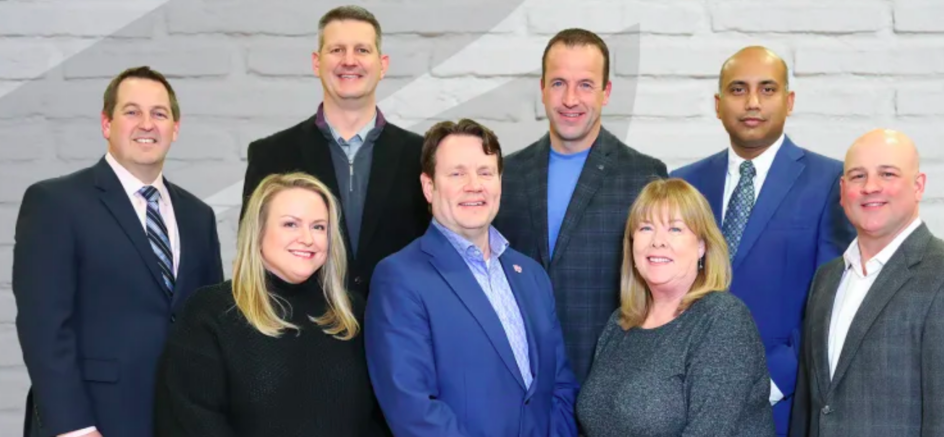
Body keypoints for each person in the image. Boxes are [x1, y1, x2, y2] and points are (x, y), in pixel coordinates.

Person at [12, 66, 224, 437]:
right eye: (132, 112)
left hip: (179, 420)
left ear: (175, 128)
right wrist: (74, 428)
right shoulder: (56, 203)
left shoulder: (198, 216)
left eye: (159, 113)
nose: (147, 124)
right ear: (106, 124)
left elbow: (209, 324)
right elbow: (43, 327)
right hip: (91, 421)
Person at [669, 46, 854, 435]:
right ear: (718, 105)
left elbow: (834, 302)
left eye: (767, 89)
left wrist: (769, 381)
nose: (752, 102)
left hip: (783, 402)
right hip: (685, 399)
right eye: (738, 89)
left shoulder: (829, 183)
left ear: (789, 101)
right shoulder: (683, 183)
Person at [366, 119, 579, 436]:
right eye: (457, 174)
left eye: (485, 172)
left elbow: (560, 386)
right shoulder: (400, 278)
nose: (474, 185)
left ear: (500, 182)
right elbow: (413, 409)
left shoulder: (532, 275)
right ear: (429, 186)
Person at [790, 129, 944, 437]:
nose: (870, 187)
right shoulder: (826, 279)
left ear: (918, 186)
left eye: (887, 174)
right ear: (843, 190)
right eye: (858, 176)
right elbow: (809, 411)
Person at [154, 172, 387, 436]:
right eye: (290, 224)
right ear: (259, 231)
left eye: (319, 227)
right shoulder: (210, 313)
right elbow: (190, 420)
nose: (307, 238)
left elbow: (379, 416)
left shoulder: (353, 313)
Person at [495, 28, 668, 382]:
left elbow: (659, 296)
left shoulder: (643, 176)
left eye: (585, 85)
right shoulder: (505, 175)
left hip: (608, 381)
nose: (570, 99)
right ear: (542, 89)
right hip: (520, 381)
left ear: (606, 92)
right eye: (559, 83)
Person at [241, 5, 429, 297]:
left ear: (383, 65)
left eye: (362, 50)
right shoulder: (271, 154)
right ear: (317, 63)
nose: (349, 61)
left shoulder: (422, 156)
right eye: (337, 50)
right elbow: (251, 256)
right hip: (298, 321)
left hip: (398, 317)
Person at [576, 178, 773, 437]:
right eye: (646, 228)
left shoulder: (722, 319)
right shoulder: (619, 322)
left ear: (702, 246)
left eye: (675, 229)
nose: (658, 241)